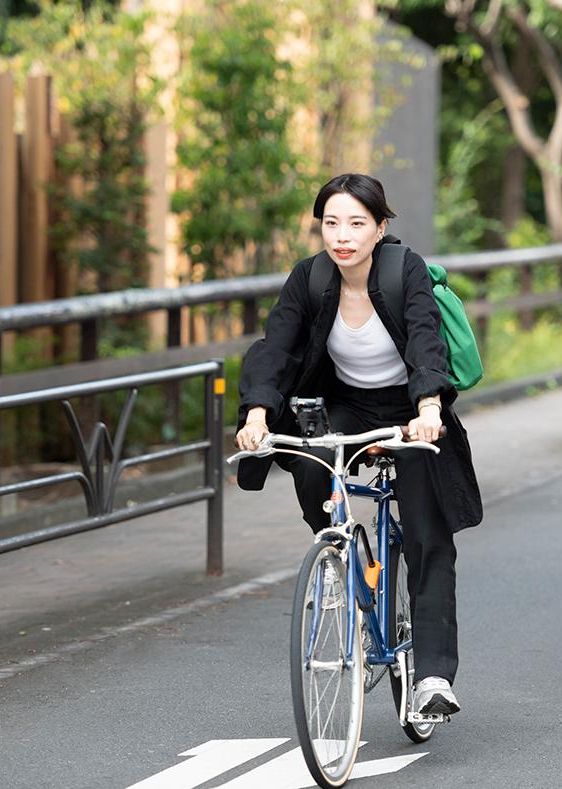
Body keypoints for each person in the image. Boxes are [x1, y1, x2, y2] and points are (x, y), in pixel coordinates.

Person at [234, 173, 482, 716]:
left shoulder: (403, 271)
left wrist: (429, 409)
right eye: (331, 223)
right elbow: (276, 345)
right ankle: (337, 552)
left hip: (410, 408)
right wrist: (256, 414)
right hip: (345, 402)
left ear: (379, 227)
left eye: (356, 223)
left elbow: (425, 338)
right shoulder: (311, 278)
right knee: (307, 458)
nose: (342, 236)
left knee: (425, 530)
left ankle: (433, 678)